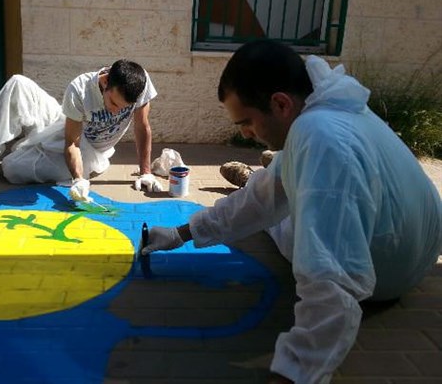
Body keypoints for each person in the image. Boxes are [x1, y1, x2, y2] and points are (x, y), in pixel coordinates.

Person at [141, 40, 442, 384]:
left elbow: (332, 277)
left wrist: (293, 373)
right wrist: (182, 233)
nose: (247, 134)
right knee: (276, 195)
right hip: (420, 249)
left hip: (387, 274)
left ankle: (262, 173)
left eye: (247, 123)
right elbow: (260, 200)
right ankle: (265, 172)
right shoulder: (334, 105)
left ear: (280, 103)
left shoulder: (319, 137)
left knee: (290, 223)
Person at [0, 59, 163, 200]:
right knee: (18, 84)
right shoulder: (80, 89)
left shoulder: (138, 82)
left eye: (123, 108)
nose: (116, 113)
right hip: (71, 134)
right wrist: (77, 179)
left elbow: (142, 126)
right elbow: (71, 143)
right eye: (113, 104)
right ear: (105, 84)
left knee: (11, 169)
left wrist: (146, 172)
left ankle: (25, 149)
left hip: (90, 150)